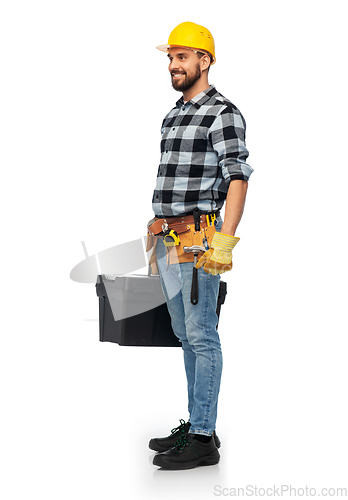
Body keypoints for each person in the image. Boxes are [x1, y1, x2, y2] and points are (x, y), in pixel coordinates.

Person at [147, 21, 253, 470]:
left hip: (200, 242)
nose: (174, 64)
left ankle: (204, 438)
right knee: (184, 335)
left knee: (203, 336)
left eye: (183, 56)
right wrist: (154, 222)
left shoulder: (222, 113)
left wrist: (225, 241)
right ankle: (195, 423)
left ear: (204, 61)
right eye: (171, 57)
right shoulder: (173, 114)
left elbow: (237, 176)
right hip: (167, 241)